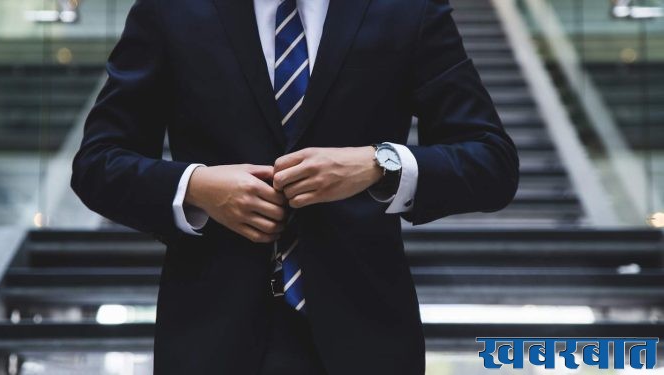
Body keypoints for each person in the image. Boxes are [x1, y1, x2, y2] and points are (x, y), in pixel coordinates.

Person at [70, 0, 519, 373]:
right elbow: (97, 163)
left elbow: (491, 161)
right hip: (209, 337)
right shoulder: (171, 8)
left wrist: (380, 163)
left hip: (366, 339)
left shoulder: (406, 8)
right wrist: (195, 186)